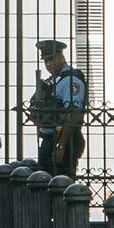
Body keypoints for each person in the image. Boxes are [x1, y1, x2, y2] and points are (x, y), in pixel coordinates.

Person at [27, 37, 91, 175]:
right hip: (50, 140)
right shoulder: (55, 79)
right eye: (46, 61)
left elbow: (74, 113)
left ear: (61, 56)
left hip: (66, 141)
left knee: (62, 184)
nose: (49, 64)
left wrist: (61, 145)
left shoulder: (71, 80)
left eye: (52, 59)